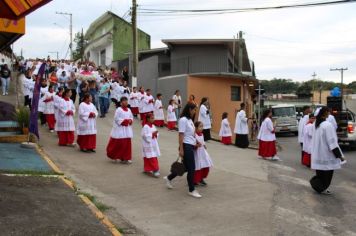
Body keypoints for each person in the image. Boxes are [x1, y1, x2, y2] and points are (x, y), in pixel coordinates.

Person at [164, 103, 203, 198]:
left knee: (185, 167)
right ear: (189, 109)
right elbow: (181, 135)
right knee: (191, 168)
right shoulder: (183, 120)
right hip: (186, 146)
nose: (194, 112)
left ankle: (169, 178)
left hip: (191, 145)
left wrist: (197, 142)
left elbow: (191, 134)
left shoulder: (190, 120)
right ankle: (191, 189)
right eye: (194, 110)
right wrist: (181, 149)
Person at [310, 107, 346, 194]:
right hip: (326, 154)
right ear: (325, 113)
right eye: (328, 112)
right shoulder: (327, 125)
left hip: (317, 154)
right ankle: (322, 188)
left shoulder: (315, 124)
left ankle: (320, 187)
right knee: (327, 174)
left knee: (320, 173)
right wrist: (339, 156)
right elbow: (332, 143)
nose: (329, 113)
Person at [106, 97, 133, 164]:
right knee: (118, 144)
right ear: (121, 102)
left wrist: (130, 120)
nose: (126, 102)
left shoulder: (129, 110)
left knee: (126, 144)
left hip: (127, 130)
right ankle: (114, 156)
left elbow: (131, 117)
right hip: (120, 129)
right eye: (124, 101)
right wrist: (126, 121)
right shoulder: (119, 110)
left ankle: (125, 158)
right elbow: (117, 119)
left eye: (126, 101)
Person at [193, 121, 213, 186]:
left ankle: (201, 178)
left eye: (202, 126)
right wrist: (196, 145)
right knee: (198, 166)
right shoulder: (194, 135)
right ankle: (195, 180)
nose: (202, 128)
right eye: (200, 126)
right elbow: (193, 143)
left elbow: (203, 141)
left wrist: (204, 145)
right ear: (195, 128)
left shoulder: (202, 134)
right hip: (197, 153)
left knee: (205, 165)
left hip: (202, 152)